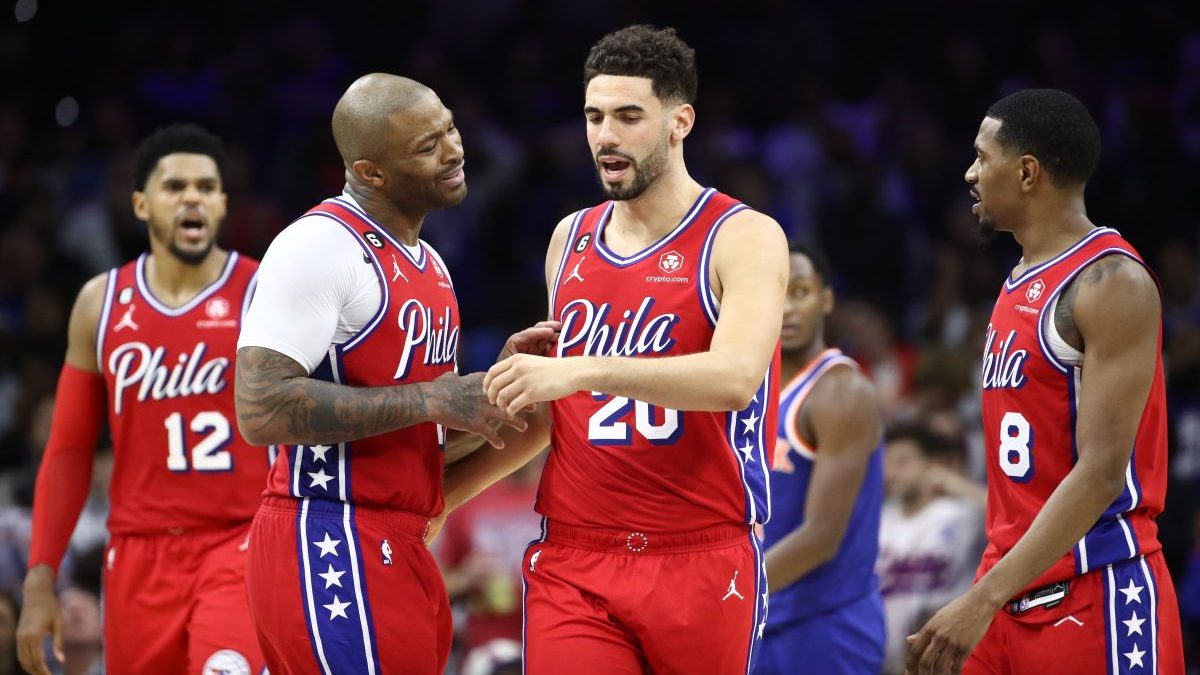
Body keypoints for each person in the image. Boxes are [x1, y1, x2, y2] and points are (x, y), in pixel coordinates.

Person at [475, 24, 788, 674]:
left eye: (628, 116)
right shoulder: (569, 238)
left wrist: (579, 370)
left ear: (680, 122)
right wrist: (441, 500)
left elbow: (735, 378)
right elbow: (559, 414)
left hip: (700, 553)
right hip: (575, 556)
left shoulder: (744, 235)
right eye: (594, 117)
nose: (605, 136)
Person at [234, 73, 526, 675]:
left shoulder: (431, 262)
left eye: (450, 129)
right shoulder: (320, 245)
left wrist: (495, 390)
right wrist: (432, 399)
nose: (453, 150)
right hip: (329, 536)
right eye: (427, 146)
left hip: (403, 537)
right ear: (371, 172)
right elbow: (260, 408)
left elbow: (415, 435)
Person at [906, 88, 1185, 674]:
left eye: (982, 157)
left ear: (1027, 172)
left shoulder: (1112, 281)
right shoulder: (1018, 278)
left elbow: (1101, 473)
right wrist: (989, 590)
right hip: (1008, 585)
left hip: (1096, 591)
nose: (970, 173)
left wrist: (981, 598)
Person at [16, 124, 268, 675]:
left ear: (223, 203)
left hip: (241, 541)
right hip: (137, 554)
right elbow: (68, 448)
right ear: (140, 204)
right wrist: (39, 578)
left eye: (206, 187)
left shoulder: (263, 293)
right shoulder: (100, 303)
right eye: (175, 186)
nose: (192, 198)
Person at [754, 241, 886, 675]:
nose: (787, 308)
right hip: (759, 617)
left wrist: (726, 594)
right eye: (775, 293)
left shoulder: (842, 391)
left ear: (826, 300)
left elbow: (822, 536)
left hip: (826, 625)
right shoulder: (745, 391)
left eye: (801, 292)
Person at [877, 423, 984, 675]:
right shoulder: (878, 521)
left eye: (902, 461)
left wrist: (952, 482)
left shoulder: (959, 514)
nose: (891, 472)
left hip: (944, 656)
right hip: (885, 658)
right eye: (887, 463)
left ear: (929, 464)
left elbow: (1013, 522)